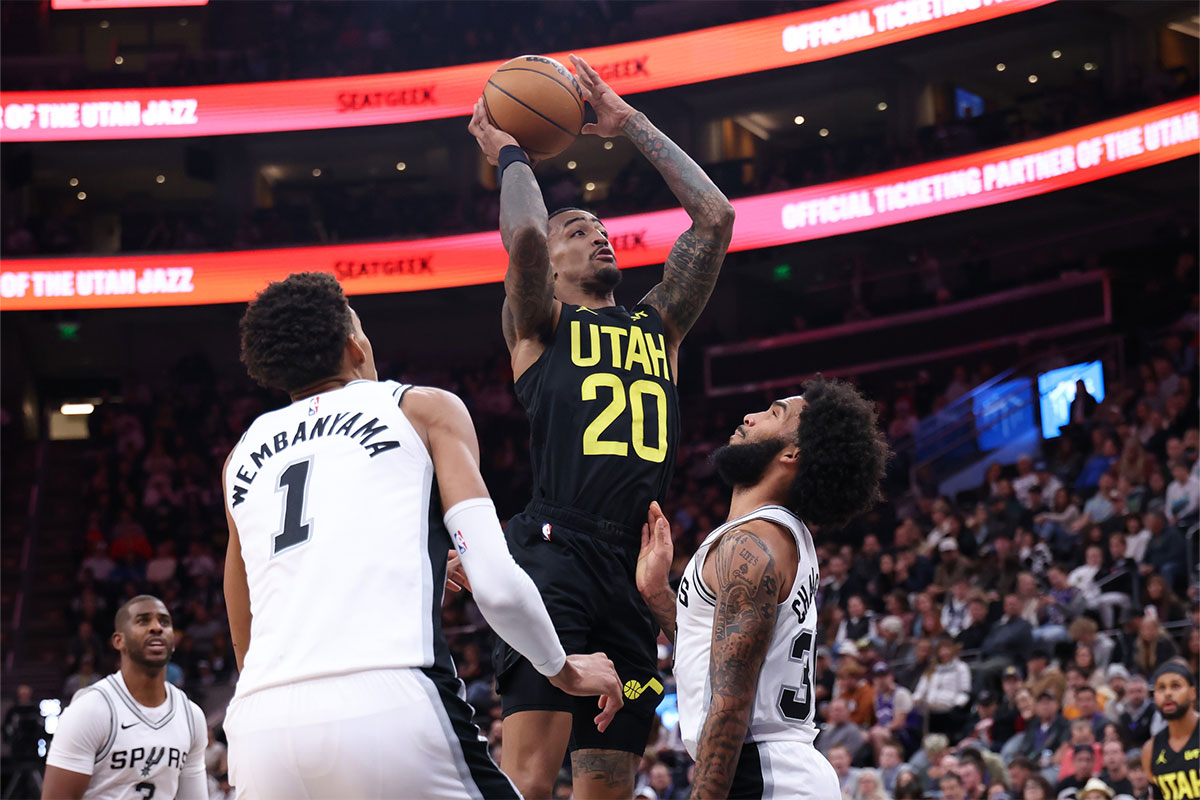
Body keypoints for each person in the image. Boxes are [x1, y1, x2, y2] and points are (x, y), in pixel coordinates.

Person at [221, 273, 623, 798]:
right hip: (390, 701)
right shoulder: (421, 408)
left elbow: (245, 619)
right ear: (354, 346)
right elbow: (498, 584)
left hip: (259, 728)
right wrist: (561, 667)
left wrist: (428, 557)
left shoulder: (240, 455)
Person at [467, 53, 736, 799]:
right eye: (577, 229)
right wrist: (512, 154)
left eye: (600, 226)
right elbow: (521, 239)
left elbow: (715, 218)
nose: (598, 234)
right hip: (553, 558)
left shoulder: (660, 327)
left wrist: (631, 124)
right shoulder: (539, 326)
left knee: (610, 780)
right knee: (529, 776)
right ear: (549, 266)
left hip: (633, 575)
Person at [635, 380, 887, 797]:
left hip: (761, 774)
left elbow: (730, 705)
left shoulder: (751, 544)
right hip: (783, 770)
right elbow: (718, 658)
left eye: (774, 414)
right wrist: (658, 593)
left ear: (792, 454)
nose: (749, 417)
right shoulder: (780, 537)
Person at [42, 595, 207, 800]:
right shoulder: (90, 710)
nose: (156, 627)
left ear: (173, 642)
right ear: (119, 641)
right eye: (143, 621)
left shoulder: (191, 716)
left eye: (164, 622)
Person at [1141, 661, 1199, 800]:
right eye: (1161, 688)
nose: (1167, 693)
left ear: (1192, 693)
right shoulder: (1150, 749)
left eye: (1175, 686)